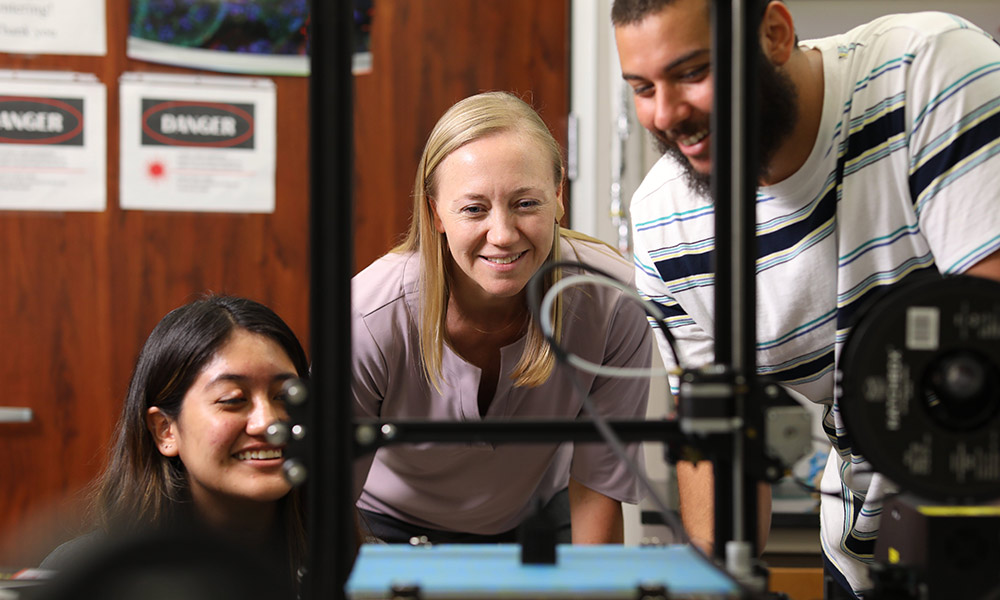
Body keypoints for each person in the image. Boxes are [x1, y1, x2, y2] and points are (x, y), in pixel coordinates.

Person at [612, 0, 1000, 596]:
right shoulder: (666, 223)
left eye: (693, 73)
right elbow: (719, 447)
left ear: (774, 33)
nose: (667, 114)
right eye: (642, 87)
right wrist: (719, 583)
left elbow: (988, 353)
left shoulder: (928, 71)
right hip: (866, 556)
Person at [352, 91, 653, 545]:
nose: (503, 235)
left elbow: (598, 489)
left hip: (536, 521)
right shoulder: (369, 315)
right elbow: (323, 499)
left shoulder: (612, 303)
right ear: (436, 213)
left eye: (526, 203)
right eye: (474, 209)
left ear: (557, 197)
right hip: (381, 525)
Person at [40, 296, 310, 595]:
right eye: (233, 400)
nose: (267, 423)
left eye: (286, 397)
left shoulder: (357, 563)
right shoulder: (86, 573)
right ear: (165, 430)